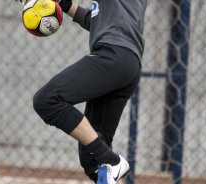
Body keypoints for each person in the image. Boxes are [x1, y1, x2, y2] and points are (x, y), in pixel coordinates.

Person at [16, 0, 147, 183]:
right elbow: (98, 22)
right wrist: (65, 5)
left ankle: (113, 160)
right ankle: (110, 163)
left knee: (47, 100)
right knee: (93, 160)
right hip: (127, 62)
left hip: (113, 54)